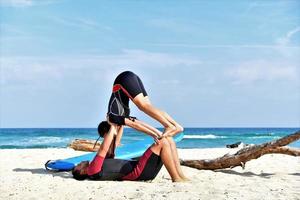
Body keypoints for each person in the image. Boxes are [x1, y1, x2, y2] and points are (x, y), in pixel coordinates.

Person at [72, 123, 187, 182]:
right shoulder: (92, 170)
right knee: (162, 142)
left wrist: (119, 125)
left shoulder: (99, 166)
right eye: (78, 165)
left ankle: (180, 175)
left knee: (168, 140)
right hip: (139, 171)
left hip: (145, 171)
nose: (79, 162)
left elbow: (114, 143)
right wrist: (111, 126)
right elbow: (103, 148)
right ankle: (176, 178)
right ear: (82, 172)